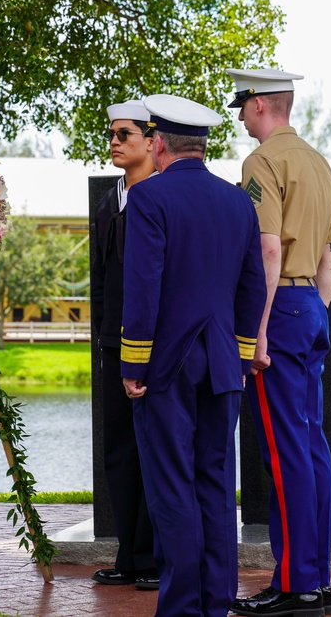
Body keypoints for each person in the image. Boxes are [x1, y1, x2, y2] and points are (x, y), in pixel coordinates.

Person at [120, 94, 266, 617]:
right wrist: (245, 355)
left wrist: (134, 364)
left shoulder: (148, 199)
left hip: (168, 363)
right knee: (216, 481)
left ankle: (182, 607)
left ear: (158, 144)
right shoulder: (238, 202)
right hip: (223, 362)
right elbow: (253, 287)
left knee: (171, 484)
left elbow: (143, 288)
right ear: (201, 147)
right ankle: (217, 600)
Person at [225, 69, 331, 617]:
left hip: (280, 310)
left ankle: (295, 586)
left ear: (261, 106)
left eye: (242, 107)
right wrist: (315, 308)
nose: (239, 117)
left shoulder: (261, 162)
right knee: (312, 447)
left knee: (284, 451)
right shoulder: (319, 163)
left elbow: (268, 250)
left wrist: (260, 329)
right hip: (312, 307)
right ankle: (315, 578)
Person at [90, 100, 160, 590]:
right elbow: (102, 280)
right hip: (114, 344)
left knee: (155, 450)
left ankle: (156, 558)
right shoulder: (108, 202)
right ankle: (129, 556)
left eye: (124, 134)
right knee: (118, 450)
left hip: (156, 347)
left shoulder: (164, 198)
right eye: (112, 134)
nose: (113, 141)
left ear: (153, 141)